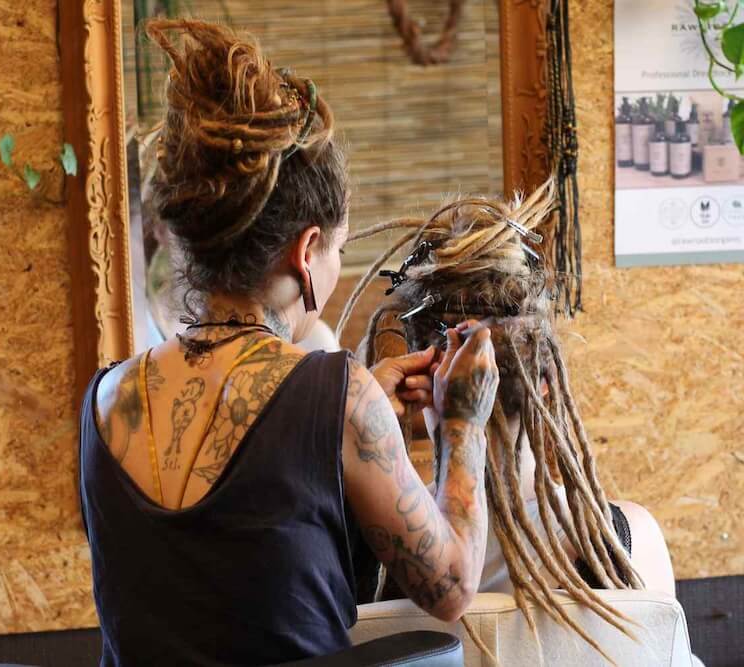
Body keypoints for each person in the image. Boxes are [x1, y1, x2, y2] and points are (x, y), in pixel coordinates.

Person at [79, 20, 499, 666]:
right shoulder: (340, 397)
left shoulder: (106, 398)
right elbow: (452, 587)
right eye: (338, 248)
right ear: (306, 253)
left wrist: (348, 413)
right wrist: (463, 425)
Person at [341, 179, 676, 660]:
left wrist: (360, 425)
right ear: (546, 382)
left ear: (424, 379)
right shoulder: (630, 542)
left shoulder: (369, 556)